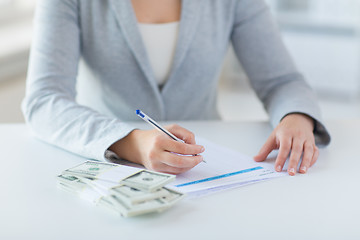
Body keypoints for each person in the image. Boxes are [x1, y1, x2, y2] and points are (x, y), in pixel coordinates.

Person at [22, 0, 330, 176]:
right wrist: (131, 143)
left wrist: (296, 116)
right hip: (108, 167)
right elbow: (44, 99)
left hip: (207, 172)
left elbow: (281, 80)